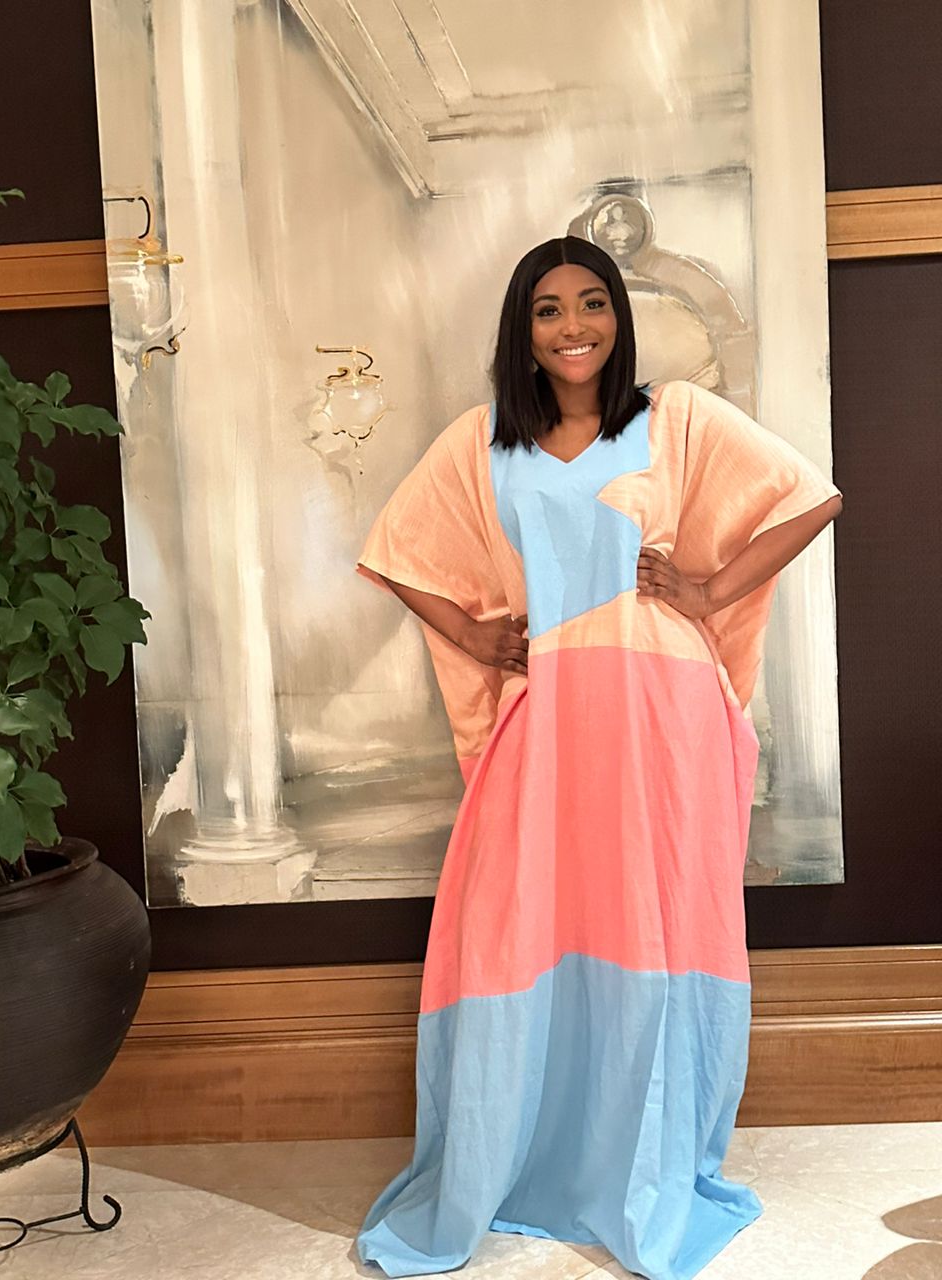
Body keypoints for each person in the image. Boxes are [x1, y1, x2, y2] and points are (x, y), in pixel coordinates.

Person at [354, 235, 842, 1280]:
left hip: (664, 709)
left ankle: (644, 1161)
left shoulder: (674, 420)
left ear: (619, 315)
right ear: (521, 332)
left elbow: (812, 496)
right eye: (548, 309)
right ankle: (525, 1154)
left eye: (592, 303)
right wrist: (480, 634)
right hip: (554, 704)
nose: (573, 326)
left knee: (655, 924)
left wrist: (709, 592)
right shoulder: (486, 440)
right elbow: (396, 551)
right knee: (523, 920)